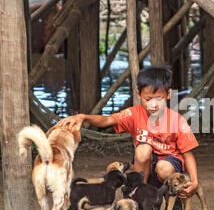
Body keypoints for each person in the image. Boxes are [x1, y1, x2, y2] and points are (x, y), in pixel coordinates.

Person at [58, 66, 200, 200]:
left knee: (164, 168)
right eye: (148, 99)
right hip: (146, 167)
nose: (153, 104)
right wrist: (84, 117)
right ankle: (139, 195)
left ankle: (172, 200)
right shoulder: (134, 113)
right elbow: (108, 120)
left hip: (169, 168)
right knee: (143, 149)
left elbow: (188, 153)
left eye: (159, 99)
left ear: (168, 95)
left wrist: (194, 181)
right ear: (139, 94)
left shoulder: (177, 120)